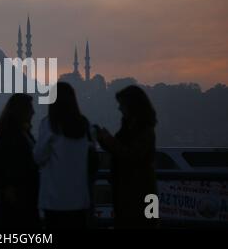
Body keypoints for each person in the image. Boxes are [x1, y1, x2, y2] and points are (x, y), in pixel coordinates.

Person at [33, 82, 98, 229]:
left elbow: (39, 156)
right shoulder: (85, 125)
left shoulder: (49, 124)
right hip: (80, 198)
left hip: (55, 199)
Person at [95, 85, 158, 229]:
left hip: (139, 192)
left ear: (131, 106)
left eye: (122, 105)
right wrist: (103, 139)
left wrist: (108, 140)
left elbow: (130, 155)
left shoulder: (144, 130)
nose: (119, 109)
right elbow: (120, 150)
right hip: (130, 191)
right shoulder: (131, 127)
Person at [0, 93, 40, 229]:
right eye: (30, 109)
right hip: (16, 198)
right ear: (21, 112)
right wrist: (7, 186)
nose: (33, 112)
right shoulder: (10, 134)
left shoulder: (18, 133)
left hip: (22, 196)